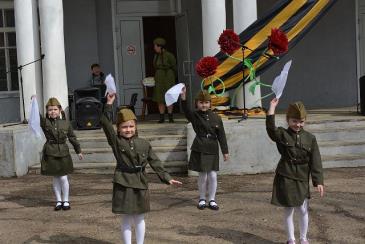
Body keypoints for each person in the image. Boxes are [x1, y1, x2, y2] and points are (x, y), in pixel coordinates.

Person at [100, 93, 182, 244]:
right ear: (118, 129)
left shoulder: (144, 143)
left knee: (140, 217)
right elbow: (105, 123)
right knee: (126, 217)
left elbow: (155, 162)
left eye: (131, 126)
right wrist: (108, 104)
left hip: (140, 182)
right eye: (124, 127)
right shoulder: (116, 142)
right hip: (123, 182)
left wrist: (167, 178)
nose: (128, 129)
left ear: (136, 127)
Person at [266, 98, 324, 244]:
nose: (298, 125)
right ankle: (291, 239)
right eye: (294, 121)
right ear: (288, 120)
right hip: (286, 175)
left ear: (305, 121)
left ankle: (304, 238)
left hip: (302, 177)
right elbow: (271, 129)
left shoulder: (310, 138)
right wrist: (272, 108)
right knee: (289, 210)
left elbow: (315, 160)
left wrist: (318, 181)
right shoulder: (282, 134)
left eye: (301, 121)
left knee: (303, 209)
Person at [180, 87, 229, 210]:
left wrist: (225, 151)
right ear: (197, 103)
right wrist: (184, 97)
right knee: (203, 175)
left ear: (210, 104)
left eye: (206, 102)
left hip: (212, 147)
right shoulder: (195, 116)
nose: (204, 105)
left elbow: (221, 134)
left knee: (212, 175)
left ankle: (212, 199)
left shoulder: (216, 117)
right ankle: (202, 198)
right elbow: (186, 111)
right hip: (200, 146)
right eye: (201, 102)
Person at [36, 96, 84, 211]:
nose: (53, 112)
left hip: (63, 152)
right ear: (47, 111)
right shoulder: (45, 122)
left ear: (60, 110)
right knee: (56, 178)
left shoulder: (65, 123)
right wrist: (34, 102)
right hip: (50, 152)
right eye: (50, 110)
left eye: (55, 109)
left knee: (63, 177)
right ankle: (58, 201)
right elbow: (36, 116)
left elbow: (72, 137)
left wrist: (78, 151)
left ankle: (66, 200)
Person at [152, 37, 176, 123]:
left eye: (155, 46)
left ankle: (170, 116)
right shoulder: (156, 56)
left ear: (160, 46)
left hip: (168, 77)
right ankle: (161, 117)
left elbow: (174, 66)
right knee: (159, 97)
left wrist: (172, 76)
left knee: (169, 96)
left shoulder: (169, 55)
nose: (154, 48)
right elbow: (155, 66)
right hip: (159, 77)